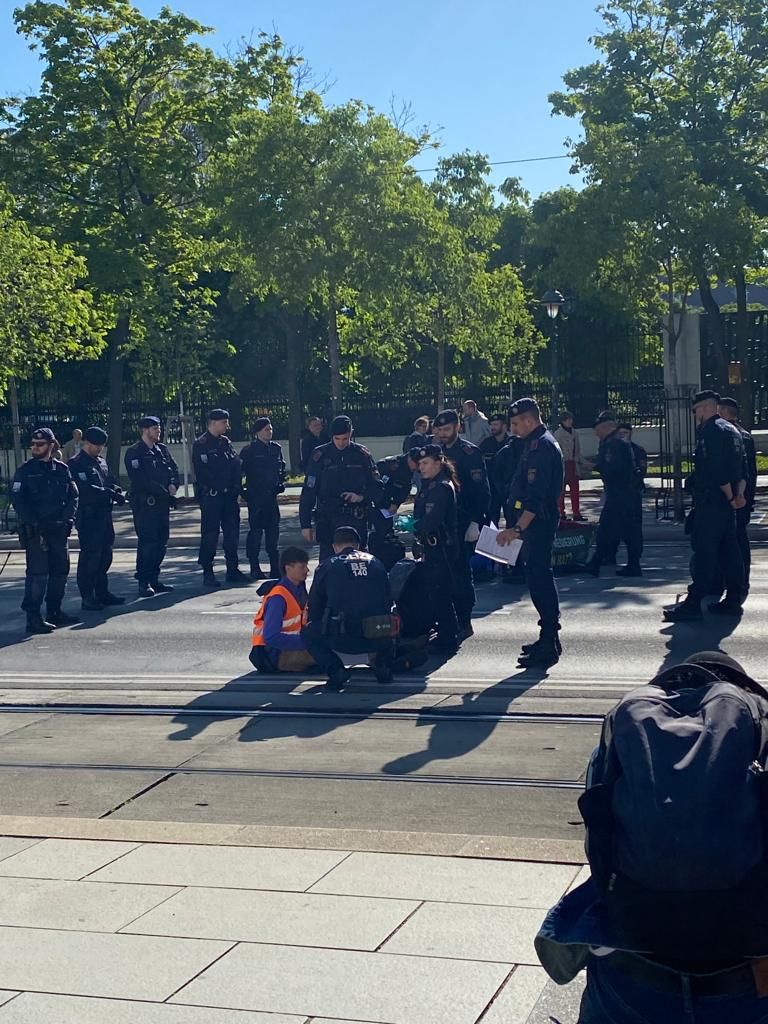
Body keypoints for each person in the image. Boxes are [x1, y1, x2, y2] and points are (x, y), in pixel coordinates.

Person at [537, 651, 768, 1024]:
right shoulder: (760, 730)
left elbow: (599, 848)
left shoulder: (629, 728)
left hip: (633, 970)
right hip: (745, 981)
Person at [664, 390, 746, 622]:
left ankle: (693, 605)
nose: (695, 415)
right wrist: (737, 495)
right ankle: (733, 600)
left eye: (695, 410)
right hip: (727, 504)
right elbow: (741, 467)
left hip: (712, 502)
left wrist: (730, 495)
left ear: (704, 408)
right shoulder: (733, 430)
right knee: (730, 553)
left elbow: (717, 469)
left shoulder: (711, 431)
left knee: (704, 554)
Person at [497, 398, 564, 667]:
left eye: (515, 423)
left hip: (538, 524)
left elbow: (536, 499)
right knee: (537, 579)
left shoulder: (541, 447)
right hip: (534, 524)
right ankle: (548, 638)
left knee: (540, 580)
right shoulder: (533, 444)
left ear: (529, 419)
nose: (512, 429)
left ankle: (549, 641)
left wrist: (516, 529)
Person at [301, 526, 395, 691]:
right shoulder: (376, 563)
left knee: (307, 632)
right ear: (358, 545)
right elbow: (389, 600)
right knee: (390, 621)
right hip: (378, 635)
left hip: (343, 637)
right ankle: (383, 667)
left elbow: (314, 606)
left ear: (334, 546)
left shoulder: (326, 566)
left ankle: (336, 671)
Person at [10, 427, 79, 633]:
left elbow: (73, 496)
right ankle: (33, 617)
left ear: (51, 445)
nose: (35, 447)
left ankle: (54, 611)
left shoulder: (61, 469)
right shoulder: (25, 470)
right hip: (37, 531)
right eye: (33, 444)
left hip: (58, 529)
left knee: (60, 571)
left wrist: (67, 518)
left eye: (40, 444)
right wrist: (33, 521)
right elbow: (18, 500)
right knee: (38, 575)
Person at [433, 408, 490, 639]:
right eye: (440, 430)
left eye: (447, 429)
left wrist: (477, 521)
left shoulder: (469, 453)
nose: (443, 434)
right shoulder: (435, 452)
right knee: (441, 575)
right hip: (441, 522)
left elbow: (481, 491)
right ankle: (447, 621)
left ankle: (464, 621)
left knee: (460, 575)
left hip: (462, 520)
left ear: (458, 427)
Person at [299, 415, 382, 563]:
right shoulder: (320, 455)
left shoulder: (361, 454)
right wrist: (305, 524)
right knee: (328, 563)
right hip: (328, 517)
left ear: (351, 434)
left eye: (345, 439)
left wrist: (361, 497)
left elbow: (376, 486)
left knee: (358, 563)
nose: (341, 443)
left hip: (355, 517)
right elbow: (309, 491)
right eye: (337, 439)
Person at [68, 426, 126, 610]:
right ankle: (87, 596)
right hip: (88, 516)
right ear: (86, 442)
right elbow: (84, 490)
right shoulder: (76, 463)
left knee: (105, 555)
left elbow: (110, 480)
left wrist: (116, 491)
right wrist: (109, 493)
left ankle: (102, 592)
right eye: (95, 445)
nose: (98, 449)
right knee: (90, 558)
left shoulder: (101, 462)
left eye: (101, 446)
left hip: (104, 515)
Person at [413, 444, 461, 655]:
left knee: (441, 592)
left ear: (438, 462)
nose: (421, 467)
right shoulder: (429, 484)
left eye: (425, 463)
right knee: (434, 591)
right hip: (431, 546)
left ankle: (449, 638)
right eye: (420, 464)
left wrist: (415, 526)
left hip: (441, 547)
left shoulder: (441, 487)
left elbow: (432, 520)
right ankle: (444, 631)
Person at [125, 416, 179, 598]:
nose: (158, 431)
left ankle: (155, 578)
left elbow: (173, 469)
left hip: (162, 504)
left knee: (161, 543)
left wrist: (173, 484)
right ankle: (144, 581)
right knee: (148, 543)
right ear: (145, 430)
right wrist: (162, 489)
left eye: (159, 428)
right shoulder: (134, 452)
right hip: (146, 504)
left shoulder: (161, 450)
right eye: (155, 428)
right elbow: (140, 479)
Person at [585, 411, 643, 578]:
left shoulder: (613, 444)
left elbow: (614, 469)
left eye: (598, 429)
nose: (596, 433)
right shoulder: (617, 442)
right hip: (625, 494)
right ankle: (629, 564)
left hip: (620, 495)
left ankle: (596, 563)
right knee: (623, 531)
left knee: (608, 530)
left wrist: (595, 467)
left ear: (607, 427)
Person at [192, 408, 245, 589]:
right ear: (214, 423)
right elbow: (203, 472)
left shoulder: (225, 442)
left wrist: (236, 487)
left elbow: (235, 465)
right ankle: (208, 572)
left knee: (232, 534)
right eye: (224, 422)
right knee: (210, 535)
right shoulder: (201, 444)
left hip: (229, 497)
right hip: (212, 497)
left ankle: (232, 570)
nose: (227, 426)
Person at [249, 546, 315, 673]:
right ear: (288, 568)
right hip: (274, 654)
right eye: (302, 567)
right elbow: (271, 637)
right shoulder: (278, 598)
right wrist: (308, 642)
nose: (307, 570)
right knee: (325, 655)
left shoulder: (299, 589)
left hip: (287, 648)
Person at [718, 397, 757, 599]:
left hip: (734, 497)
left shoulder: (730, 435)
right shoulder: (745, 435)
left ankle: (736, 582)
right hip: (743, 496)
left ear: (724, 411)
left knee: (735, 541)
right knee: (738, 539)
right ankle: (740, 580)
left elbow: (738, 470)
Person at [240, 416, 286, 581]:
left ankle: (275, 568)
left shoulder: (276, 448)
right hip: (256, 498)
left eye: (270, 429)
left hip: (271, 497)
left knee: (273, 533)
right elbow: (239, 471)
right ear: (258, 432)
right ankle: (254, 567)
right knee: (256, 533)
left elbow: (282, 468)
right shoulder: (249, 450)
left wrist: (281, 483)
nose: (270, 432)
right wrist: (243, 491)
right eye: (266, 429)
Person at [553, 411, 586, 521]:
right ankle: (561, 513)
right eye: (568, 419)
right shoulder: (558, 434)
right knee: (561, 492)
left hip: (573, 464)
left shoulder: (575, 433)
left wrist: (582, 462)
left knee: (575, 490)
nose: (570, 421)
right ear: (563, 421)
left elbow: (577, 450)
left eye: (571, 419)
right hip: (562, 464)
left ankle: (576, 513)